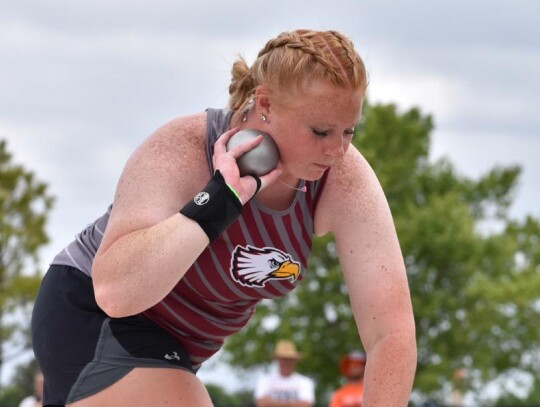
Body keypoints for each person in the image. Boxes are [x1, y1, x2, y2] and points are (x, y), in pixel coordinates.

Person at [31, 28, 417, 407]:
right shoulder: (182, 148)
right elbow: (115, 292)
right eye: (320, 131)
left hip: (175, 352)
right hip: (93, 317)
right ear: (264, 105)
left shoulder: (343, 178)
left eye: (349, 130)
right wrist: (220, 200)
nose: (337, 150)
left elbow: (391, 333)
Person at [254, 340, 315, 407]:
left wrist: (272, 403)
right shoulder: (265, 380)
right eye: (283, 359)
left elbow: (305, 405)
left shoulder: (305, 382)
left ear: (294, 361)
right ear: (277, 360)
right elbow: (262, 403)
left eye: (289, 359)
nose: (286, 362)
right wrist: (294, 404)